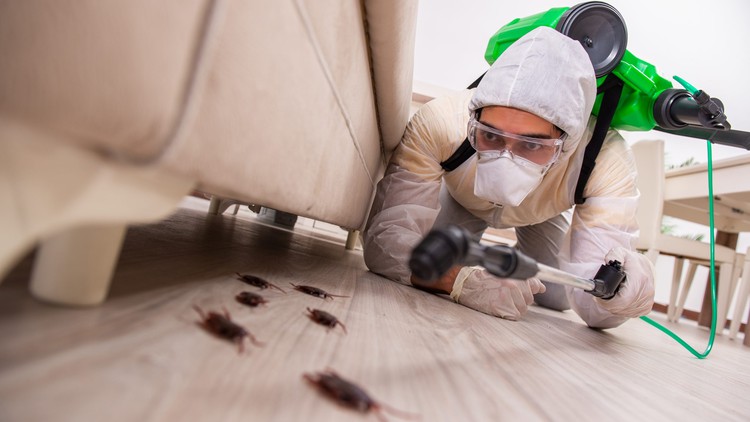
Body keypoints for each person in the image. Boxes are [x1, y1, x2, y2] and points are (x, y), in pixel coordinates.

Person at [362, 27, 655, 329]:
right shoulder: (440, 121)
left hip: (541, 213)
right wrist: (458, 280)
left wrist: (618, 293)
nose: (506, 161)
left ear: (567, 141)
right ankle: (485, 263)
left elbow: (594, 298)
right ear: (474, 119)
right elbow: (386, 241)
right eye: (490, 136)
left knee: (558, 295)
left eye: (532, 144)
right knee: (434, 255)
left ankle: (500, 261)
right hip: (463, 199)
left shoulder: (604, 158)